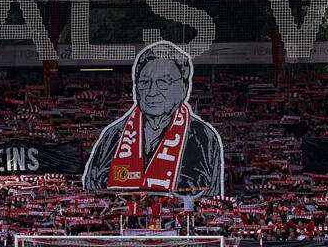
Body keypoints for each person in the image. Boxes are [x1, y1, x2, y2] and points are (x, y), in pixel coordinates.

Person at [83, 41, 223, 194]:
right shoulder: (112, 137)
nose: (152, 92)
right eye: (144, 82)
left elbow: (211, 198)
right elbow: (92, 192)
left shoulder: (203, 138)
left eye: (163, 82)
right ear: (136, 88)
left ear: (183, 88)